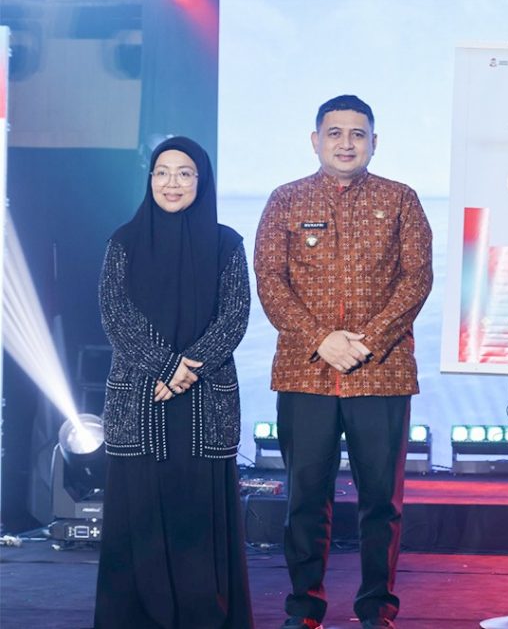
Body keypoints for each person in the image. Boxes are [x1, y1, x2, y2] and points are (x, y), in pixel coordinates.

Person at [254, 95, 433, 629]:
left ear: (374, 142)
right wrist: (320, 340)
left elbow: (416, 279)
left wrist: (367, 341)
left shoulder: (401, 199)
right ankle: (304, 608)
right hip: (304, 372)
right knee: (306, 497)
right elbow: (270, 281)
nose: (346, 143)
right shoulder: (285, 200)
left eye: (358, 134)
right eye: (335, 133)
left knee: (381, 501)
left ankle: (376, 609)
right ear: (316, 141)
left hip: (382, 372)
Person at [95, 136, 254, 628]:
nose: (172, 183)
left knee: (199, 516)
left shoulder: (227, 244)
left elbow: (234, 316)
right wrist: (166, 367)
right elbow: (115, 315)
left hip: (204, 404)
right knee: (139, 512)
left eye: (185, 173)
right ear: (150, 179)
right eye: (162, 172)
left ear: (201, 182)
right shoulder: (123, 241)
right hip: (141, 399)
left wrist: (189, 368)